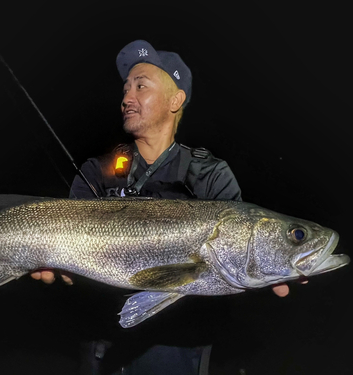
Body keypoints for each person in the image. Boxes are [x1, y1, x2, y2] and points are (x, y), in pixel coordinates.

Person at [31, 40, 293, 374]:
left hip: (179, 346)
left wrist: (272, 261)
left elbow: (236, 254)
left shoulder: (210, 174)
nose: (127, 97)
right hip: (100, 342)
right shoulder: (98, 169)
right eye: (126, 88)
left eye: (141, 86)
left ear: (175, 99)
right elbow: (62, 244)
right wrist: (57, 266)